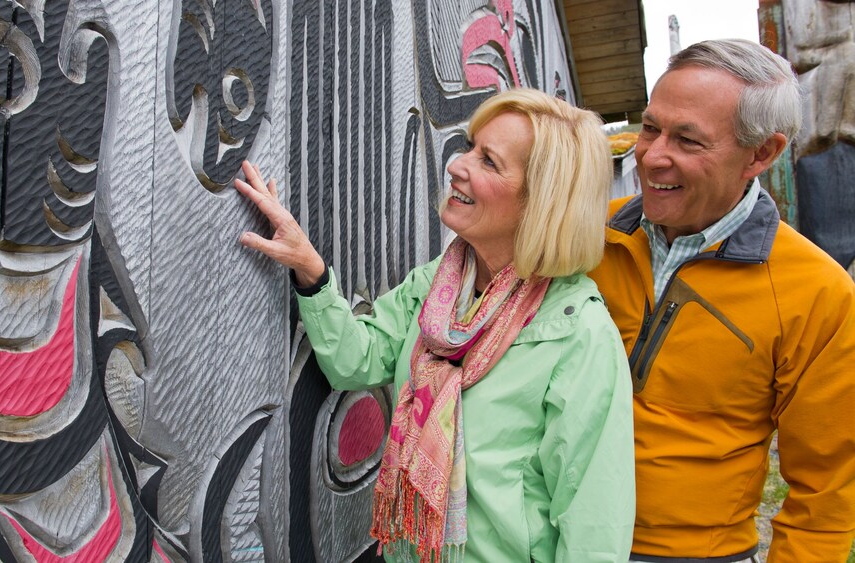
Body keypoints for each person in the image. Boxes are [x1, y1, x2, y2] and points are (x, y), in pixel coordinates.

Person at [235, 88, 635, 562]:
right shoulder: (440, 284)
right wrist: (311, 269)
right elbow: (356, 360)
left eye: (488, 161)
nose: (457, 165)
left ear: (541, 203)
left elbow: (594, 533)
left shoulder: (578, 335)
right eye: (470, 146)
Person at [587, 39, 855, 562]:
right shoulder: (585, 239)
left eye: (688, 140)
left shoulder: (816, 294)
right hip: (550, 538)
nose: (652, 156)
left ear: (762, 153)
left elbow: (824, 493)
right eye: (649, 128)